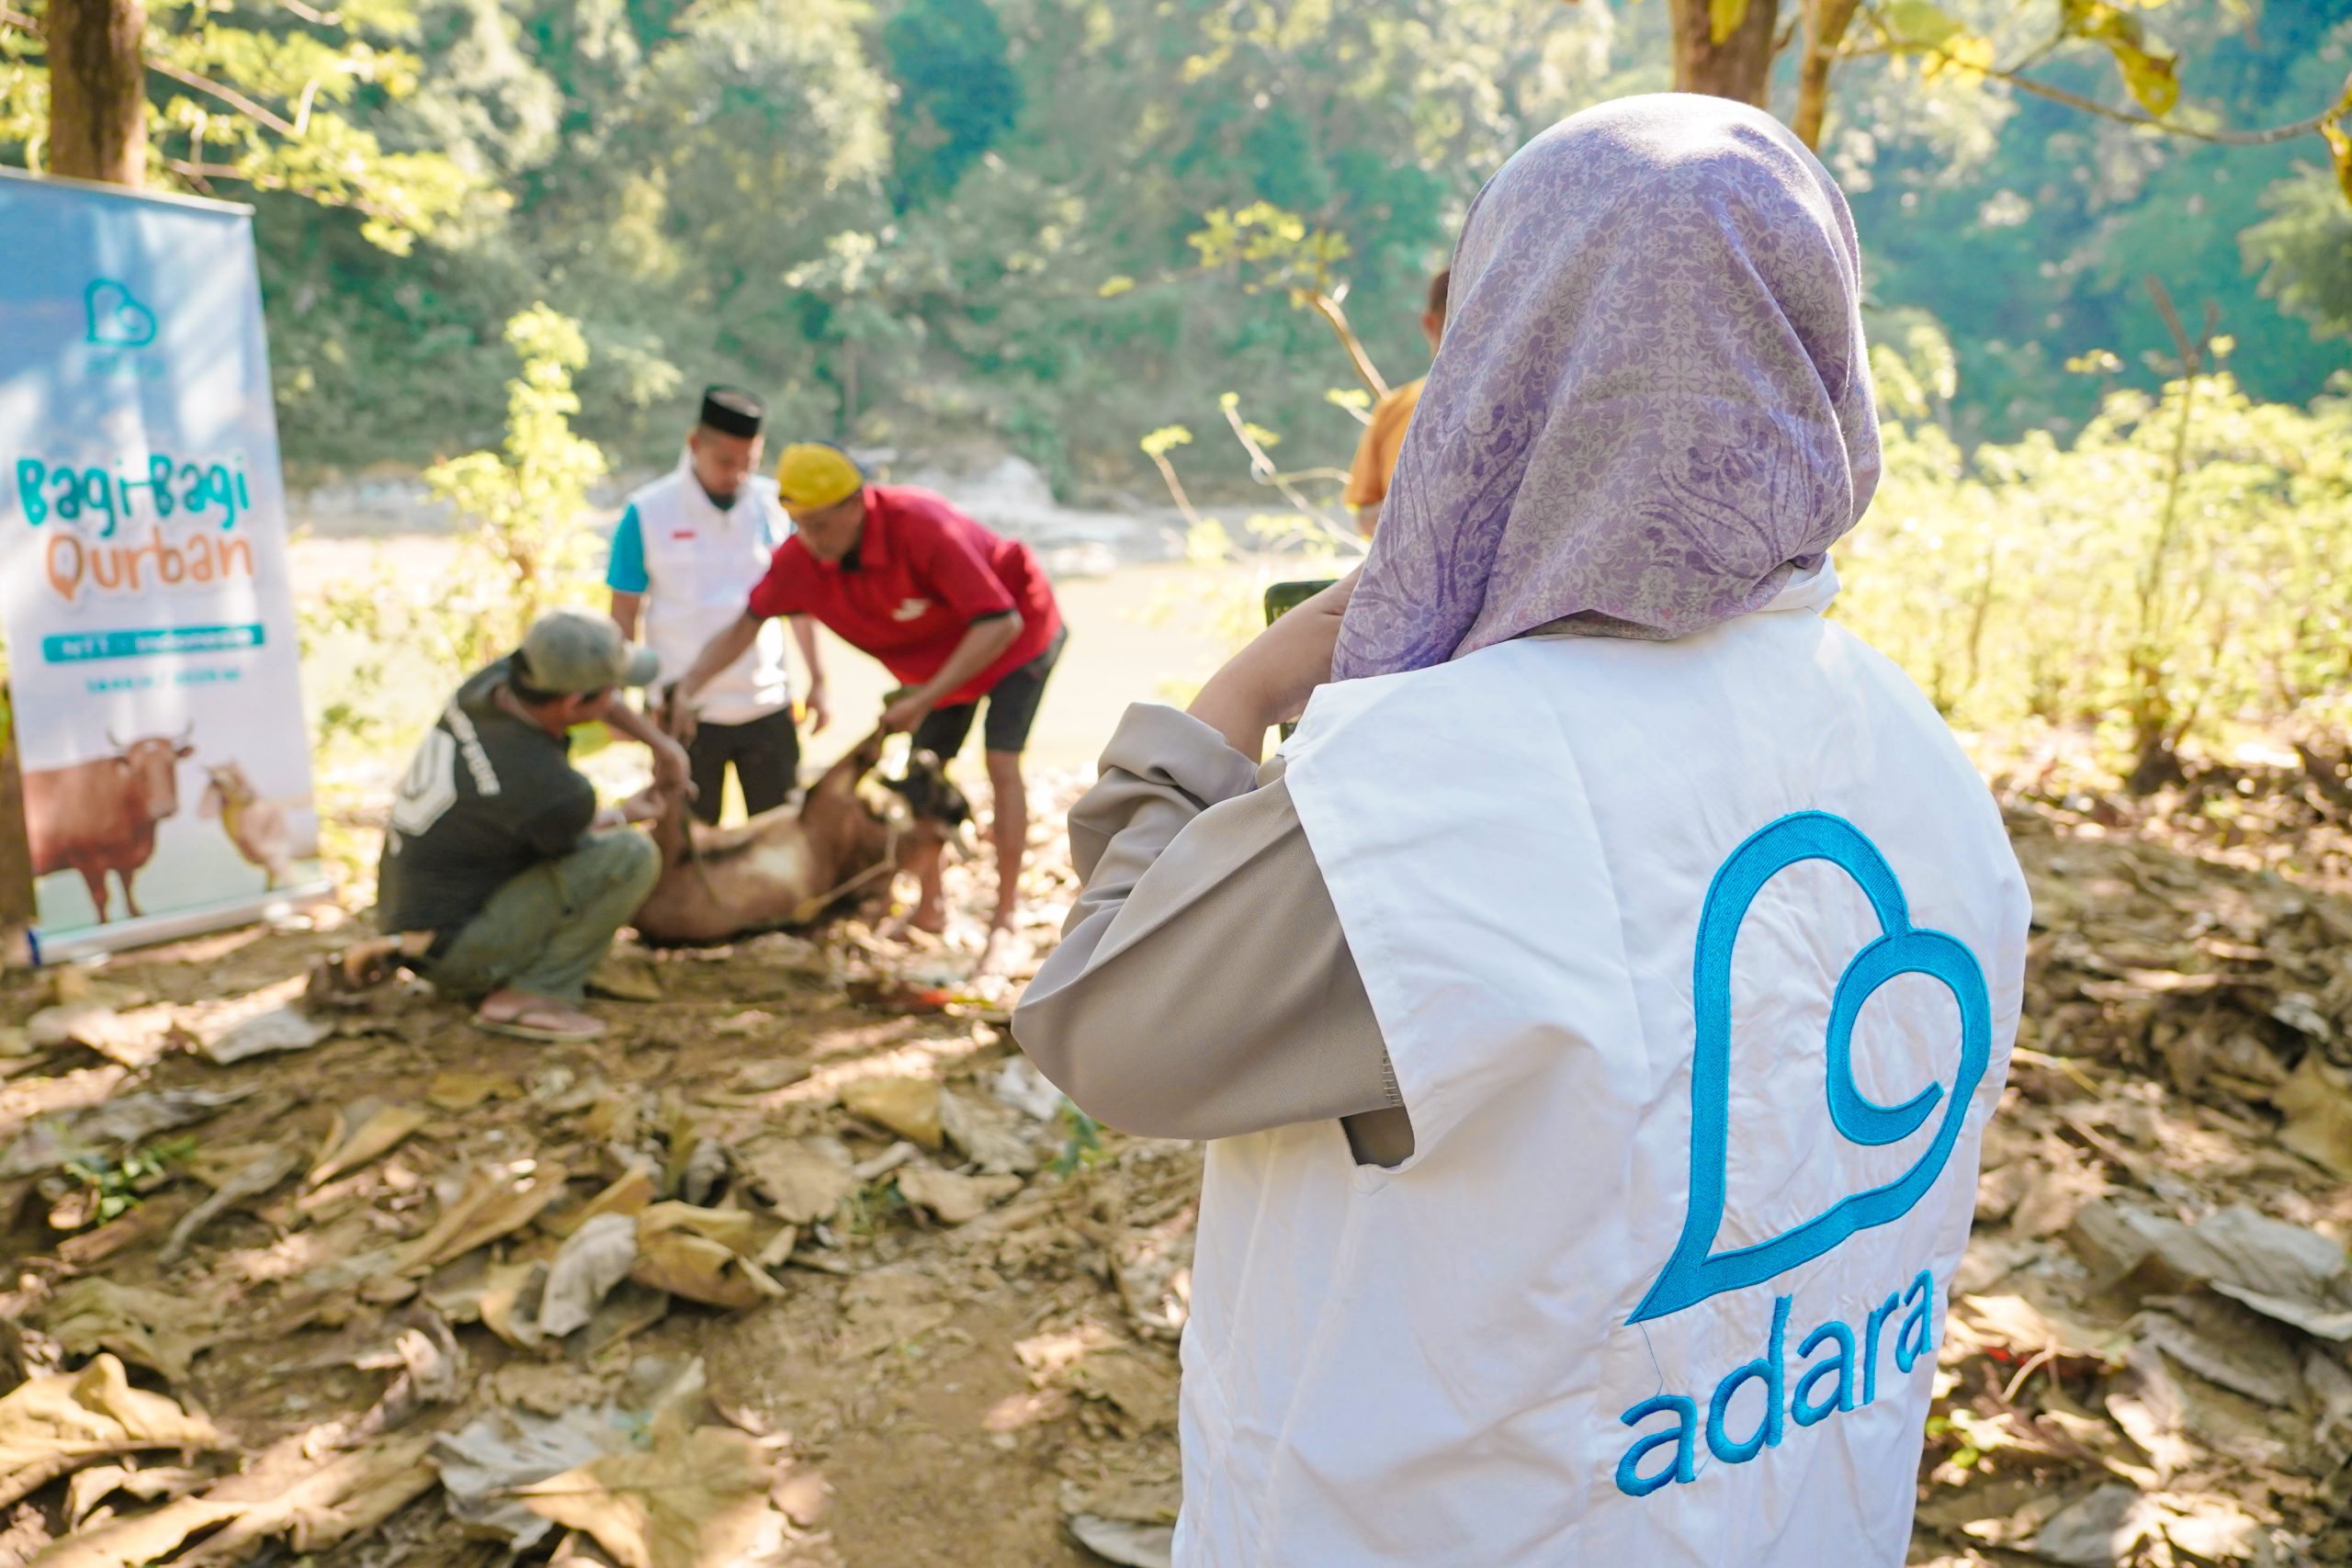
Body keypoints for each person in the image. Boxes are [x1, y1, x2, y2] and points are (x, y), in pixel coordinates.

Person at [1013, 96, 2031, 1565]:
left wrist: (1237, 693)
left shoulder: (1448, 788)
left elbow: (1109, 1026)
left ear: (1505, 357)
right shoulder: (1916, 749)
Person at [673, 443, 1064, 976]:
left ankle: (1005, 921)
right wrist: (690, 686)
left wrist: (921, 699)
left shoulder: (922, 526)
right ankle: (931, 907)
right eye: (799, 525)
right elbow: (747, 623)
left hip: (1017, 636)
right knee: (925, 774)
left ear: (858, 503)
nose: (811, 540)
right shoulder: (800, 561)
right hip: (937, 667)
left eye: (823, 525)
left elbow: (1000, 622)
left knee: (1000, 762)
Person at [377, 610, 688, 1043]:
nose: (619, 699)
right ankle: (533, 994)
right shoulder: (555, 790)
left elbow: (542, 821)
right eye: (613, 690)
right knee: (629, 856)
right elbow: (582, 852)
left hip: (410, 915)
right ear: (576, 704)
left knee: (605, 842)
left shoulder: (492, 685)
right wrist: (622, 818)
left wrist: (661, 744)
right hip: (452, 952)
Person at [606, 386, 828, 823]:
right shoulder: (647, 512)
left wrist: (819, 680)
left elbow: (799, 605)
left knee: (778, 840)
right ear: (694, 444)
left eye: (749, 462)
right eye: (726, 461)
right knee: (688, 845)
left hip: (766, 702)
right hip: (682, 712)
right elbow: (622, 616)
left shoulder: (775, 507)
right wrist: (616, 698)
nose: (737, 474)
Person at [1341, 266, 1449, 538]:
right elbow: (1364, 515)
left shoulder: (1531, 406)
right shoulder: (1395, 408)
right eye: (1457, 321)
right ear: (1431, 324)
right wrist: (1406, 514)